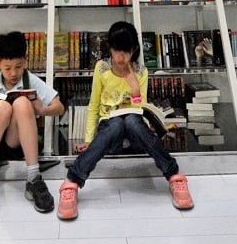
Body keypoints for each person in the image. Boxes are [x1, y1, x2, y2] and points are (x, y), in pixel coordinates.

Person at [58, 20, 193, 220]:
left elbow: (142, 109)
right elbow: (94, 105)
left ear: (135, 49)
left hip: (136, 134)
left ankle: (174, 177)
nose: (122, 57)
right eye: (117, 51)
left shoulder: (140, 72)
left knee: (130, 120)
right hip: (110, 135)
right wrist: (88, 140)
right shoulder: (102, 69)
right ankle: (72, 183)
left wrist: (135, 88)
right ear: (110, 49)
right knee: (116, 124)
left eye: (127, 52)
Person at [0, 31, 63, 216]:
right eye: (7, 68)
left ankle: (33, 178)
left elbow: (59, 107)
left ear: (25, 61)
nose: (13, 73)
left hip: (14, 143)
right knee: (2, 107)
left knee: (21, 103)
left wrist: (42, 110)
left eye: (18, 67)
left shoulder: (30, 80)